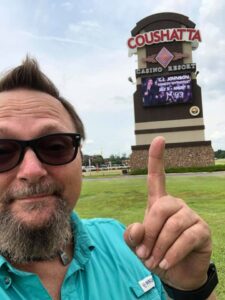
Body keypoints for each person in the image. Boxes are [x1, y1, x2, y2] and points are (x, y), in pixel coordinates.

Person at [0, 57, 217, 300]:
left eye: (55, 146)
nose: (32, 170)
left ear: (80, 157)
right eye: (2, 152)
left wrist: (191, 290)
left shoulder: (124, 243)